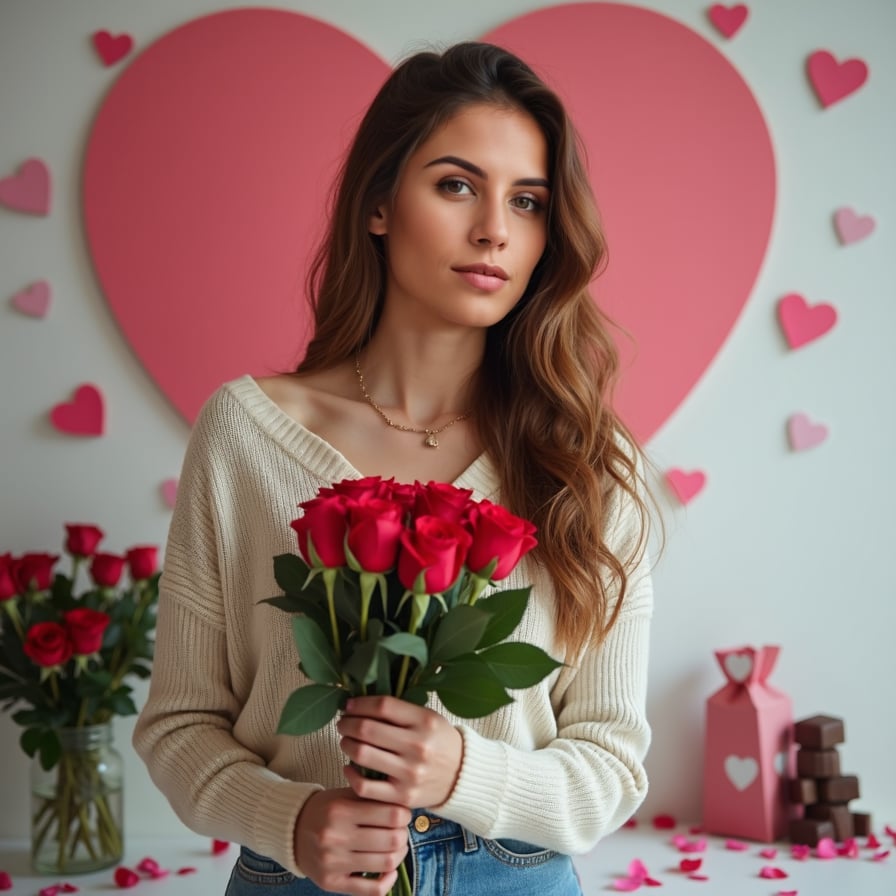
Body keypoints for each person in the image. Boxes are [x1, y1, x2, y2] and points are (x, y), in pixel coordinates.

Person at [134, 41, 654, 896]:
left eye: (526, 202)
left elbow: (611, 770)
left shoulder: (588, 462)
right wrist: (289, 822)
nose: (494, 228)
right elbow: (179, 726)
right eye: (457, 185)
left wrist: (461, 772)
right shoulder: (245, 434)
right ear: (379, 204)